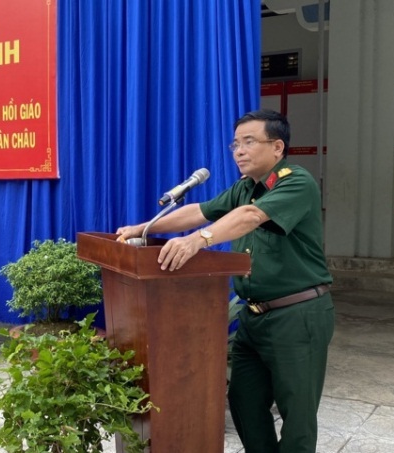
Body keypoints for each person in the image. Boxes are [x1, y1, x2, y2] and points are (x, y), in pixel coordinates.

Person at [116, 109, 334, 453]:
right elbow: (200, 211)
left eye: (249, 142)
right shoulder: (245, 188)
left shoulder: (296, 181)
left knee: (298, 415)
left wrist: (197, 240)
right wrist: (144, 228)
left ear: (277, 147)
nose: (239, 151)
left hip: (297, 314)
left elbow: (250, 217)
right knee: (244, 401)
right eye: (235, 144)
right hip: (254, 316)